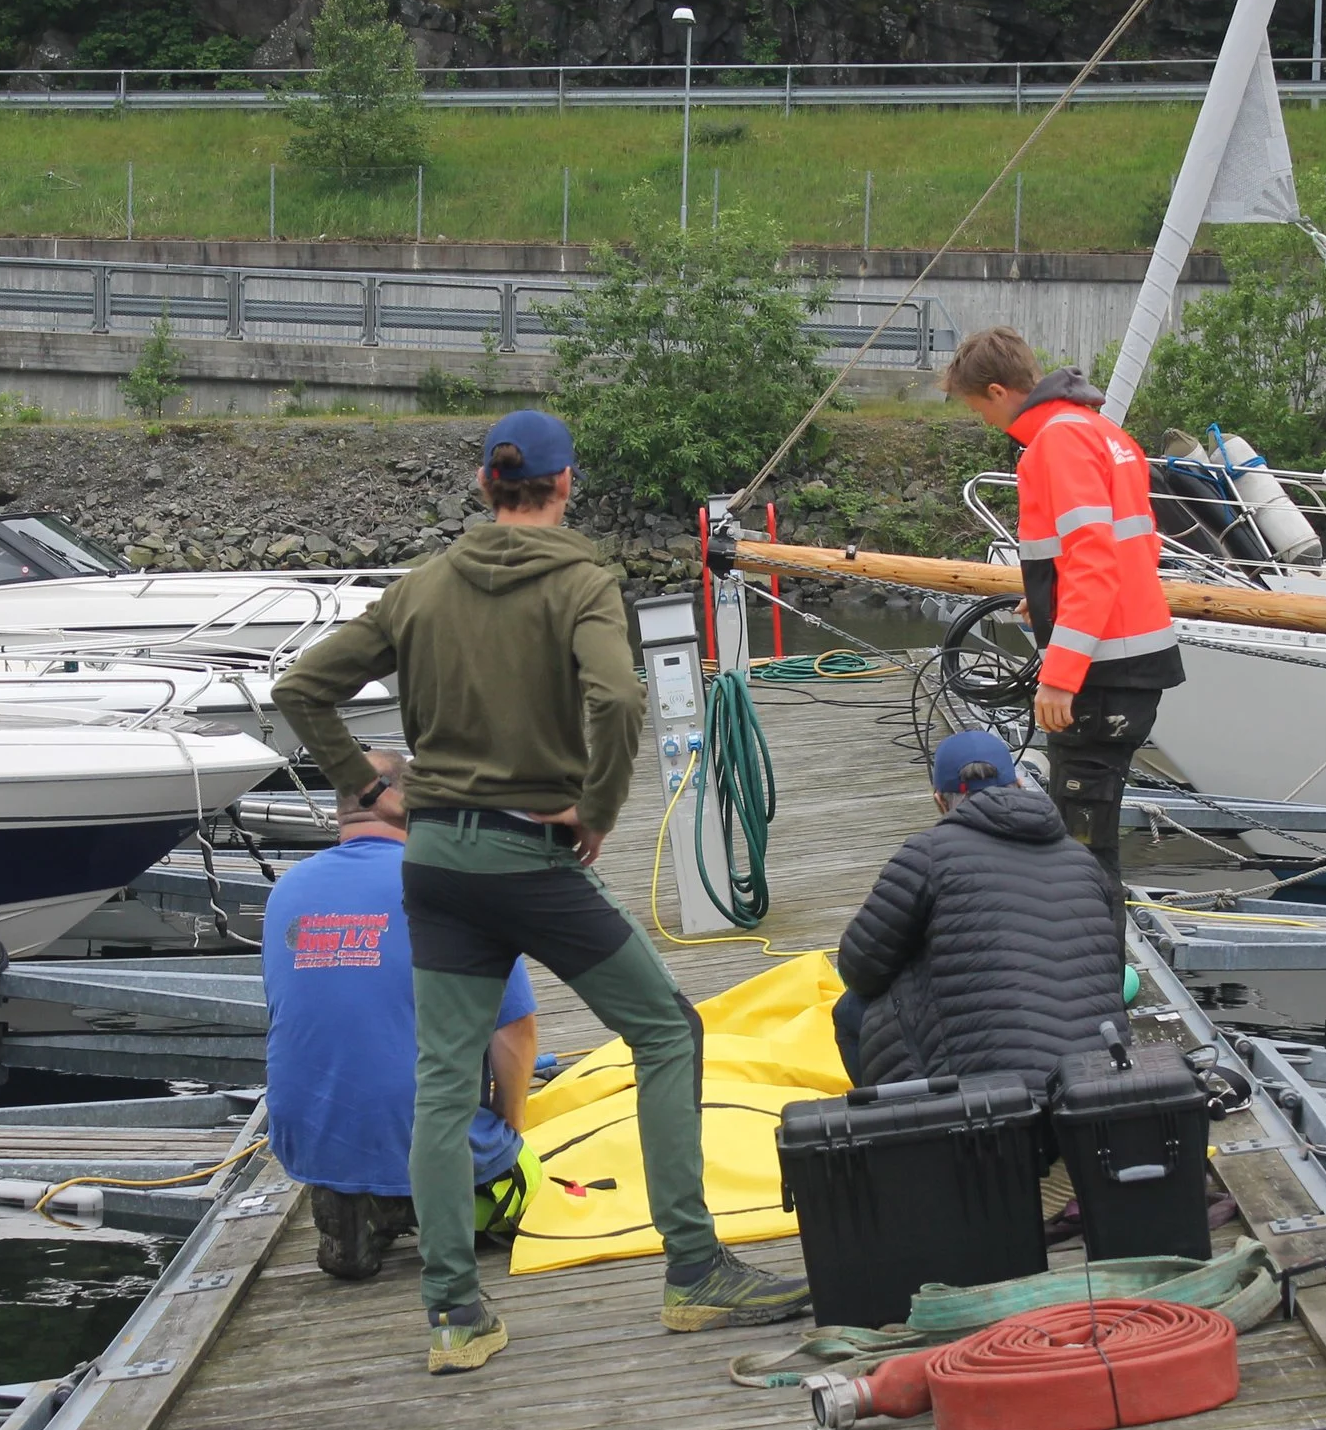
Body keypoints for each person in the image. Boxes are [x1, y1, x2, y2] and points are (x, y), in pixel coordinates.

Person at [274, 409, 810, 1375]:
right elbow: (618, 697)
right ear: (567, 487)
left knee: (444, 1083)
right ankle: (695, 1271)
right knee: (666, 1031)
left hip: (431, 861)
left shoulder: (421, 589)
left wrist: (361, 782)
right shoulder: (580, 582)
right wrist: (597, 808)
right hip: (529, 854)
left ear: (484, 484)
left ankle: (454, 1317)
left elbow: (302, 688)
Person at [259, 750, 546, 1282]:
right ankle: (417, 1203)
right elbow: (513, 1032)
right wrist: (510, 1126)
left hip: (306, 1133)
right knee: (526, 1182)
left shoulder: (286, 892)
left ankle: (353, 1197)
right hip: (425, 1133)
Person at [943, 326, 1183, 908]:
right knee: (1085, 836)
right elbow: (1136, 549)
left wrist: (1059, 676)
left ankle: (1093, 984)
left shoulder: (1056, 442)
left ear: (998, 391)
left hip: (1105, 673)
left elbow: (1096, 561)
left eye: (978, 408)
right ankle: (1093, 978)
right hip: (1134, 660)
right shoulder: (1102, 431)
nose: (984, 421)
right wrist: (1047, 598)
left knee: (1083, 850)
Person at [833, 729, 1128, 1091]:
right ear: (1019, 785)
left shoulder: (926, 853)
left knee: (851, 1010)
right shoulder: (1084, 861)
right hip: (1095, 1089)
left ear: (940, 801)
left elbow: (860, 970)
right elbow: (1112, 973)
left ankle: (903, 1128)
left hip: (985, 1102)